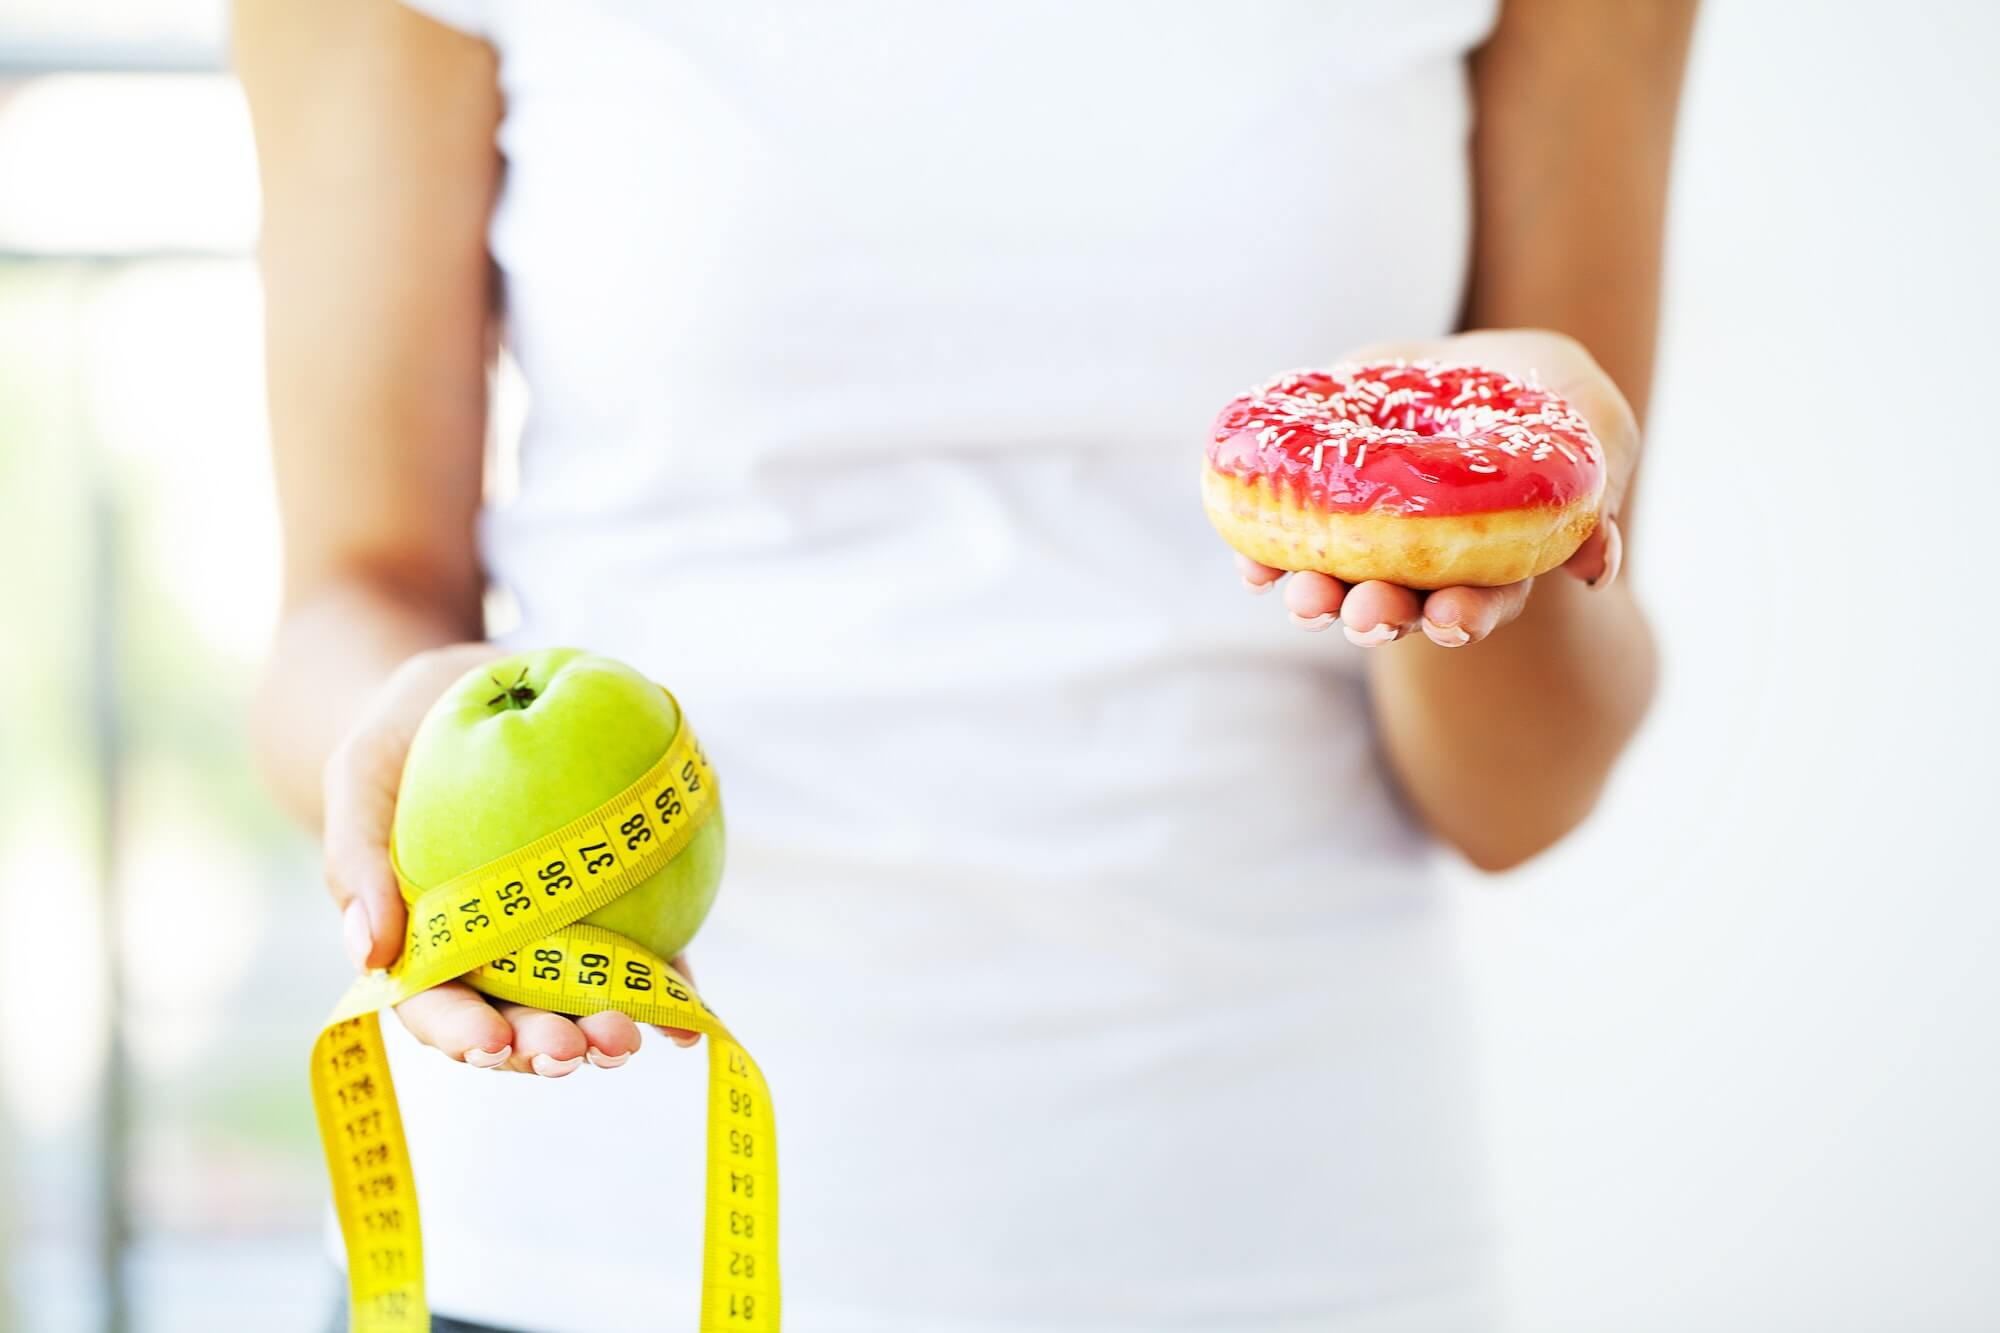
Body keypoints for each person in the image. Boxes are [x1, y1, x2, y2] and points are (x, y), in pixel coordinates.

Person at [239, 1, 1687, 1329]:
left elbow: (1524, 794)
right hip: (591, 1226)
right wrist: (413, 743)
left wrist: (1485, 546)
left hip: (1285, 1221)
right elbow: (348, 602)